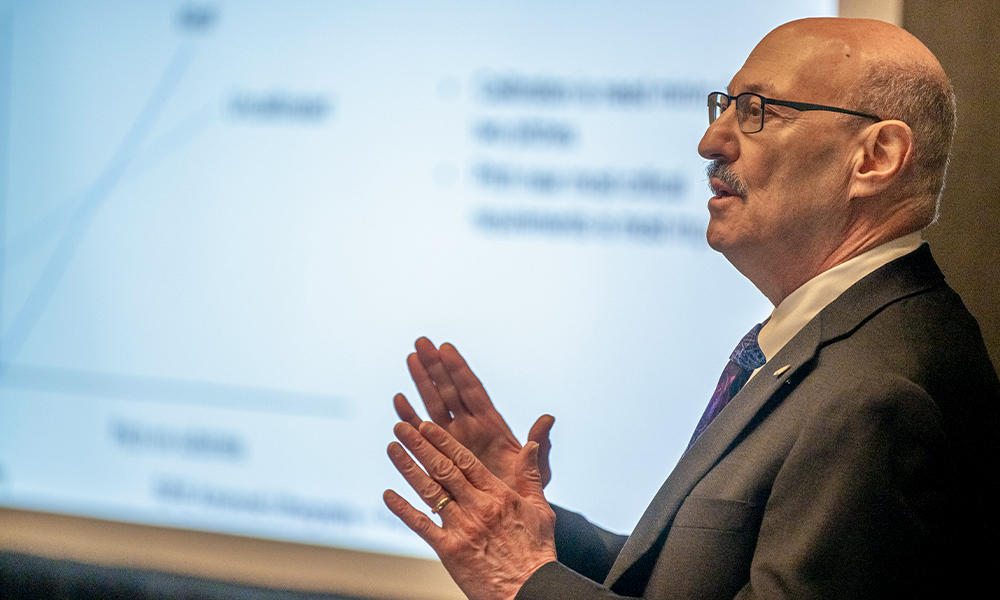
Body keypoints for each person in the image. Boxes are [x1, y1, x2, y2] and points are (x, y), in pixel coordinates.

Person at [383, 17, 1000, 600]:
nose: (711, 140)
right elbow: (692, 581)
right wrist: (530, 528)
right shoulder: (835, 341)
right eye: (723, 105)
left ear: (875, 158)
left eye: (756, 111)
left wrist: (525, 581)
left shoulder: (881, 392)